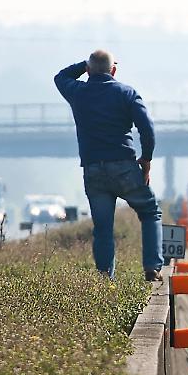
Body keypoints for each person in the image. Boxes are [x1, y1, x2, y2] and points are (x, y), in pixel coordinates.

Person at [54, 49, 164, 282]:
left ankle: (106, 279)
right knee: (150, 211)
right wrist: (146, 159)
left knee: (103, 228)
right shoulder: (126, 93)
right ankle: (152, 267)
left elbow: (60, 77)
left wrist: (85, 65)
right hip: (124, 166)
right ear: (113, 70)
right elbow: (147, 129)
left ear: (89, 70)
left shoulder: (78, 92)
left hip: (93, 169)